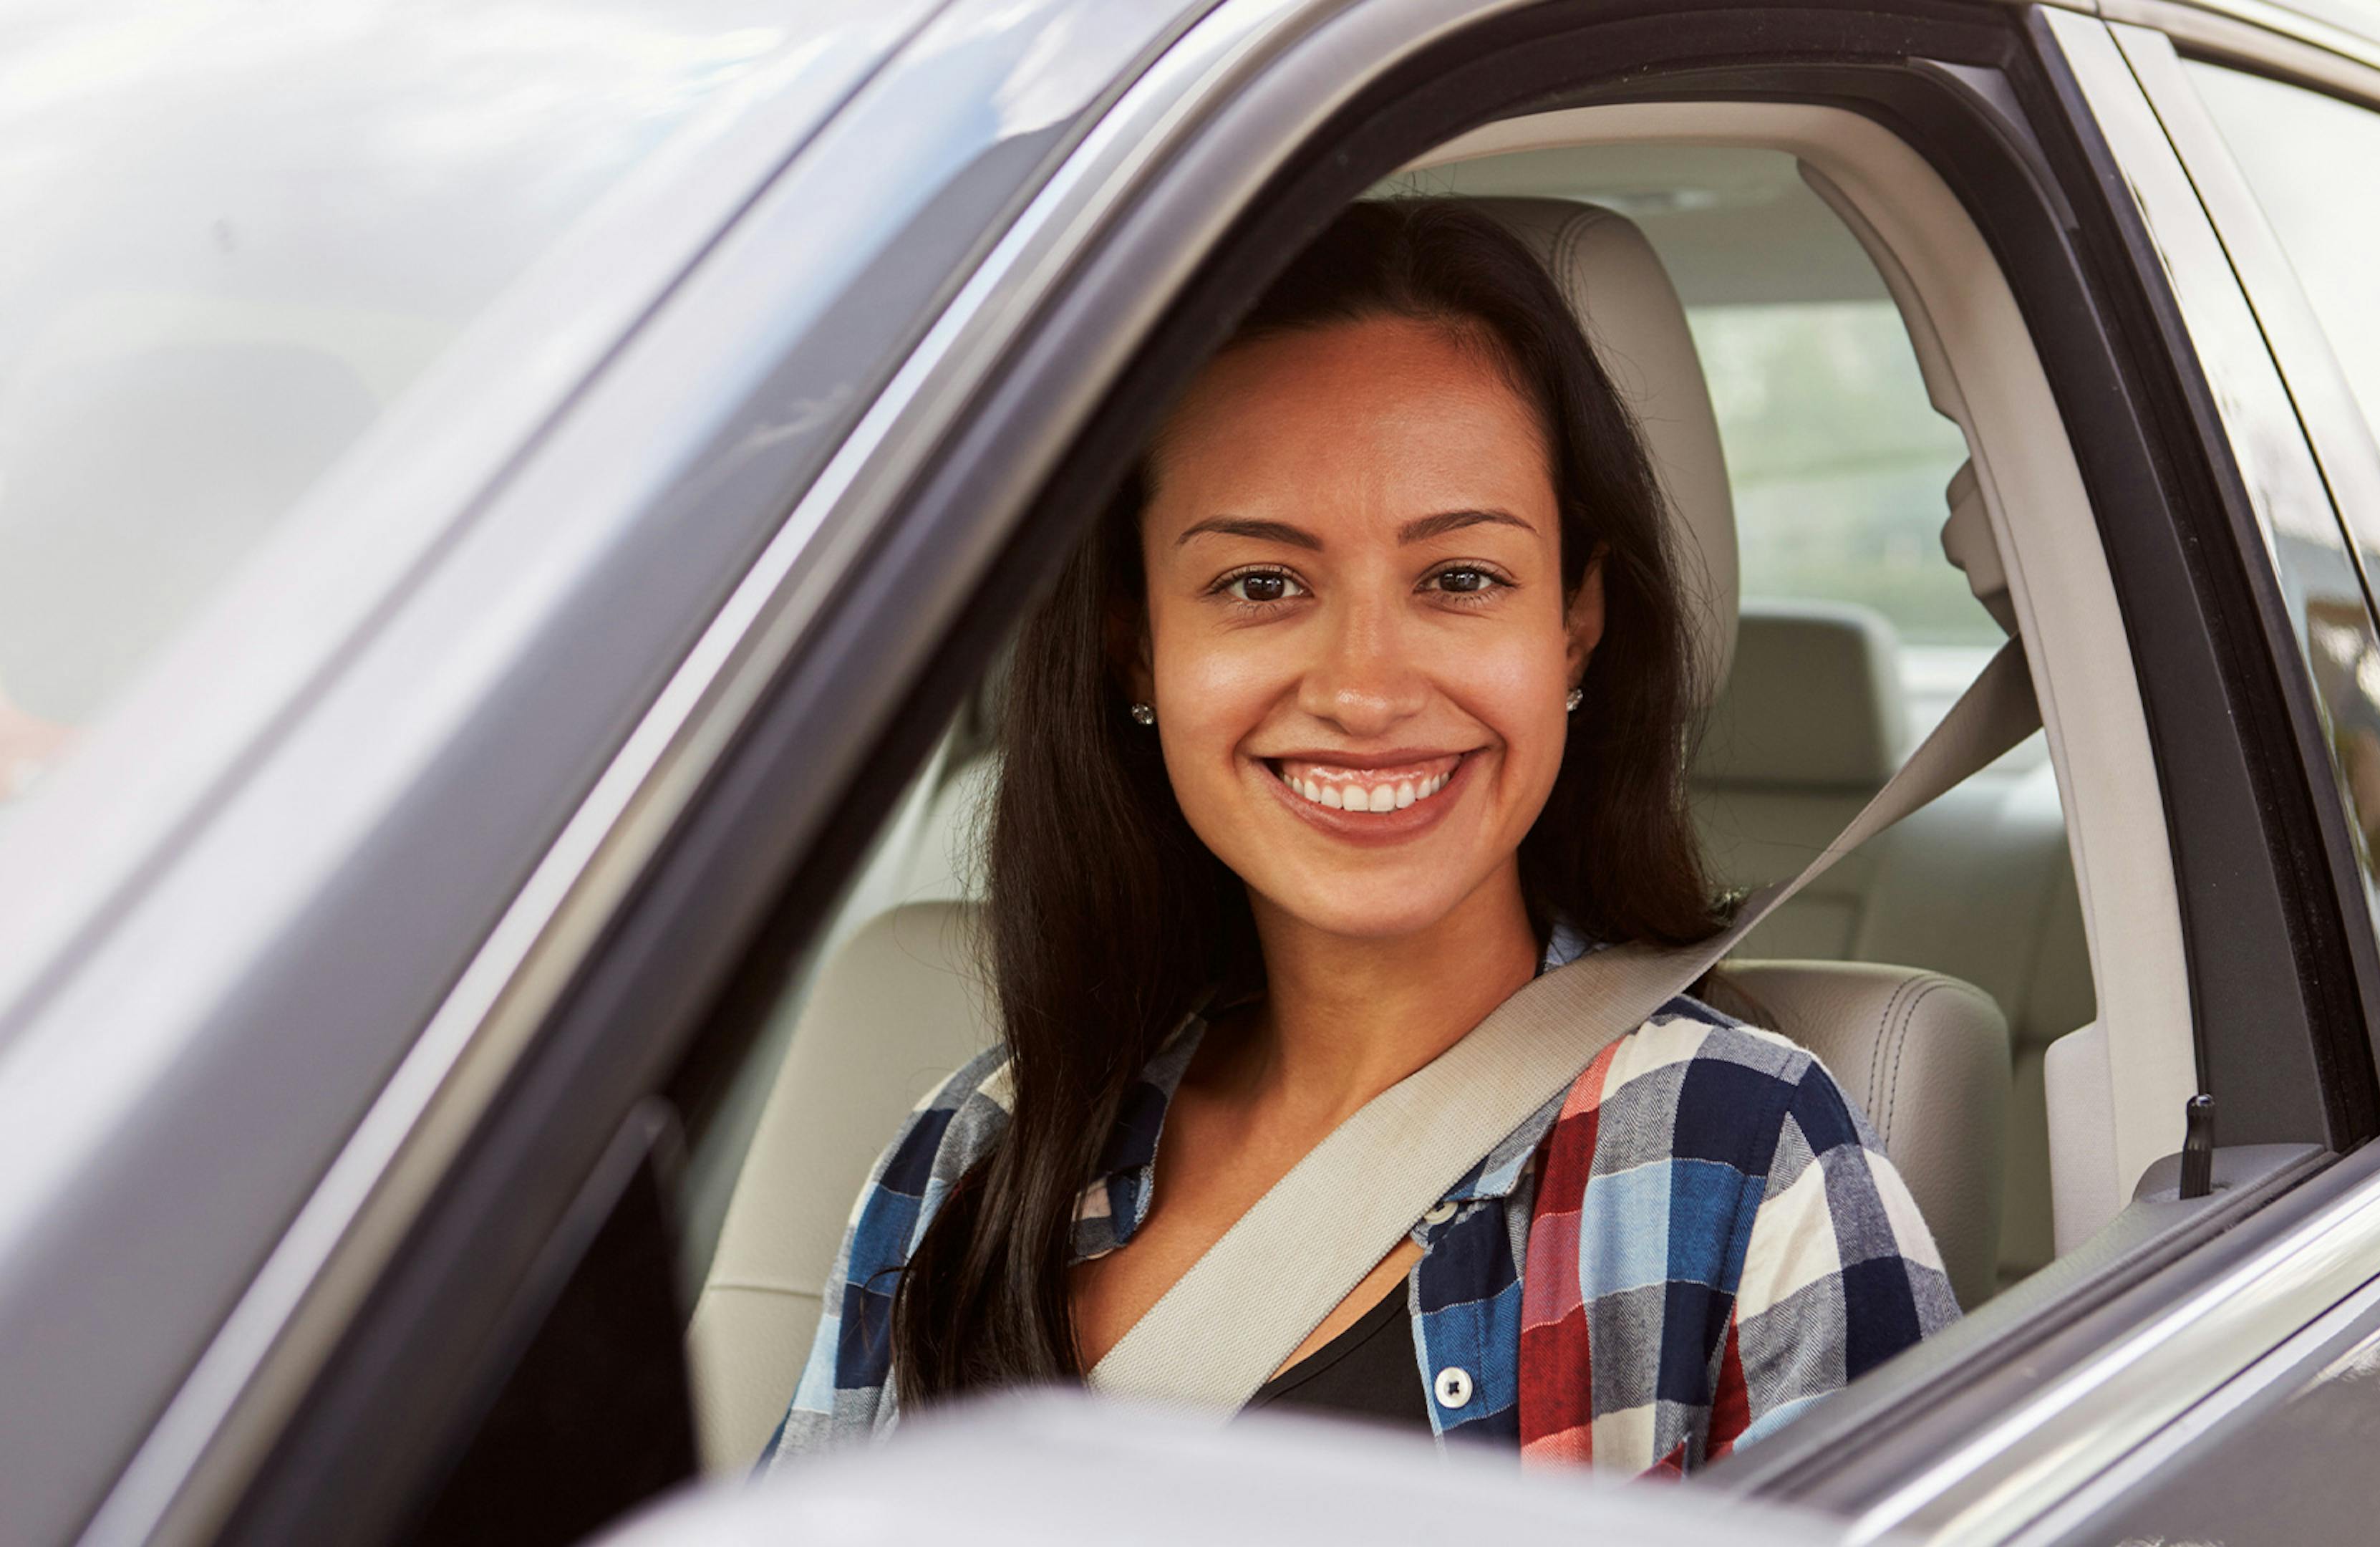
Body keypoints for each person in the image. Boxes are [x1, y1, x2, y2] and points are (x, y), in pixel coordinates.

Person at [767, 198, 1954, 1478]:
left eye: (1459, 579)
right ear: (1136, 644)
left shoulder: (1737, 1157)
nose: (1366, 690)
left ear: (1576, 624)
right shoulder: (969, 1161)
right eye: (1261, 585)